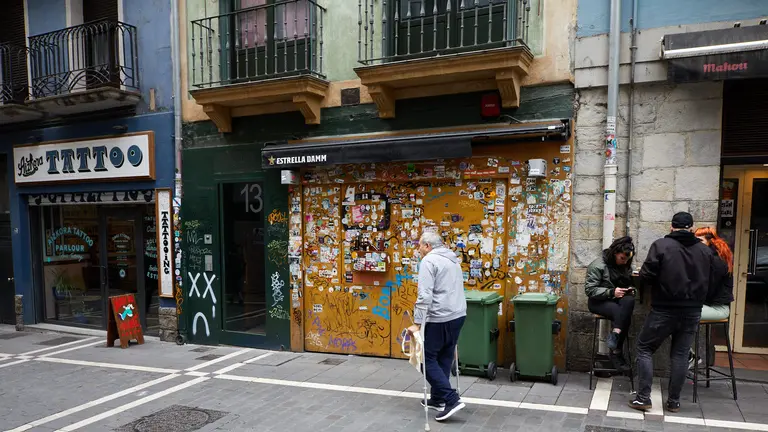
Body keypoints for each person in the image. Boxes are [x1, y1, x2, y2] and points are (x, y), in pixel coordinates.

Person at [629, 212, 715, 413]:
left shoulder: (661, 246)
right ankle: (674, 401)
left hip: (664, 308)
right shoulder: (705, 251)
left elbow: (646, 275)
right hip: (692, 310)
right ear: (692, 229)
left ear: (671, 227)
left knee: (644, 348)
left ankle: (643, 398)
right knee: (680, 354)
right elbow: (713, 278)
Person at [408, 231, 467, 422]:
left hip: (439, 317)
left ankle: (451, 399)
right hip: (457, 315)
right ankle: (438, 398)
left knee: (425, 360)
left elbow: (425, 295)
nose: (418, 250)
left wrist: (417, 323)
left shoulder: (429, 261)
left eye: (419, 246)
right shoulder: (453, 259)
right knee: (444, 356)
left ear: (427, 246)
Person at [585, 236, 636, 371]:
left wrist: (631, 289)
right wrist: (611, 292)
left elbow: (630, 283)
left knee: (629, 301)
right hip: (598, 302)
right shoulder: (598, 265)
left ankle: (615, 334)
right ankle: (617, 353)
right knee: (621, 313)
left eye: (627, 259)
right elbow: (590, 290)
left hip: (618, 299)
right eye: (622, 258)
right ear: (615, 253)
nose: (625, 262)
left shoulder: (625, 265)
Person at [688, 227, 734, 368]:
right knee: (674, 313)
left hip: (719, 309)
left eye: (700, 241)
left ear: (710, 242)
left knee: (678, 313)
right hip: (708, 306)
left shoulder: (717, 261)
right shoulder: (709, 257)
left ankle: (690, 356)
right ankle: (689, 354)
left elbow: (707, 289)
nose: (696, 244)